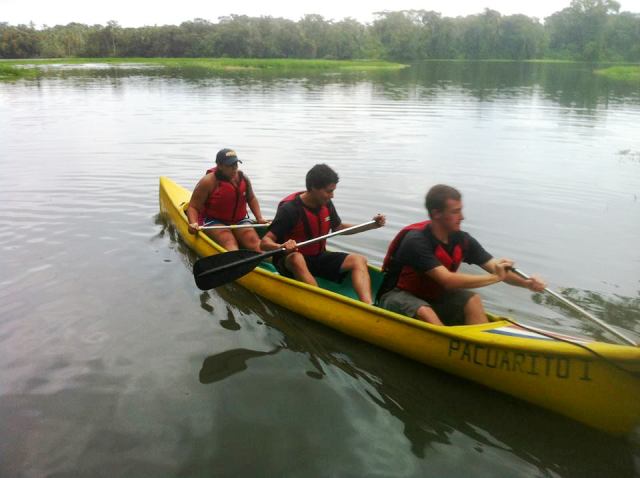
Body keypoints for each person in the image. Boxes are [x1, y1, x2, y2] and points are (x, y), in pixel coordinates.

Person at [378, 184, 545, 326]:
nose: (462, 217)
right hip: (396, 295)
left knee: (473, 300)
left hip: (433, 297)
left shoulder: (463, 240)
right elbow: (448, 281)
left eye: (460, 210)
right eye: (455, 212)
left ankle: (483, 342)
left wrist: (527, 283)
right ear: (436, 213)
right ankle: (445, 343)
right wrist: (495, 278)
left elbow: (496, 267)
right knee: (425, 313)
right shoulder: (416, 241)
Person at [260, 164, 386, 304]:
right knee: (297, 258)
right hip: (289, 261)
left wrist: (372, 225)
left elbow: (339, 228)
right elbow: (265, 242)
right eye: (328, 191)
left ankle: (367, 306)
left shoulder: (326, 204)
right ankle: (320, 302)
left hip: (317, 257)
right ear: (313, 187)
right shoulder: (290, 210)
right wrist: (281, 246)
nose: (332, 195)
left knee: (359, 260)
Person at [187, 148, 267, 251]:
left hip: (239, 221)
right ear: (219, 166)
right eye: (230, 166)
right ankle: (236, 260)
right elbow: (193, 207)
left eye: (236, 165)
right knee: (230, 243)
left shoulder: (243, 178)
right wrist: (193, 223)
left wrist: (259, 218)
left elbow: (251, 198)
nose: (234, 169)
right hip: (214, 222)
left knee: (255, 243)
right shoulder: (208, 182)